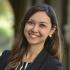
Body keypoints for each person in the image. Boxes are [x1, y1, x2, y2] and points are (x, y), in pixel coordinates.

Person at [0, 4, 62, 70]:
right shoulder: (6, 56)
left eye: (42, 25)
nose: (34, 29)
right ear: (24, 25)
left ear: (52, 30)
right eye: (31, 23)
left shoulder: (52, 65)